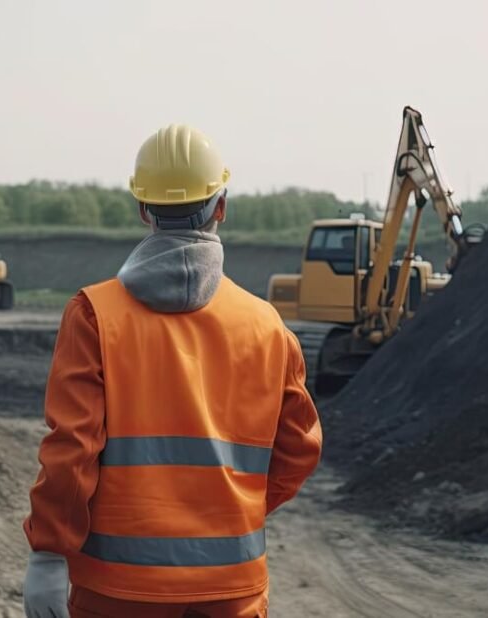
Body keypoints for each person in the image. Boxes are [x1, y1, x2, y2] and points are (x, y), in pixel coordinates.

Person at [22, 124, 322, 618]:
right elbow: (300, 450)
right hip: (231, 586)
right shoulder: (267, 327)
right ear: (221, 206)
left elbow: (72, 450)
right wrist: (231, 508)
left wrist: (49, 553)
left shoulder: (95, 315)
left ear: (143, 209)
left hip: (118, 590)